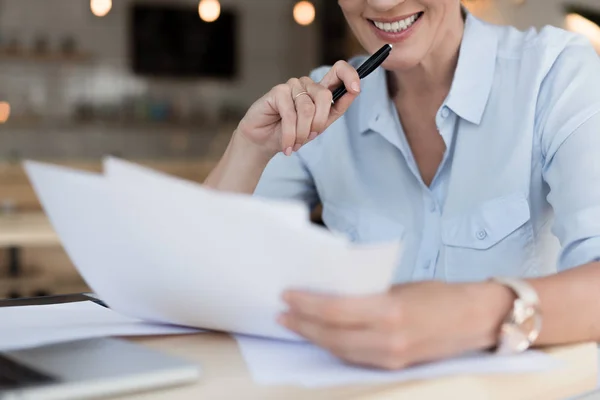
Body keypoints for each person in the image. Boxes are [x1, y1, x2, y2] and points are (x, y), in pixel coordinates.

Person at [205, 0, 600, 369]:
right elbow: (201, 274)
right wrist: (250, 149)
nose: (381, 3)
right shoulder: (317, 106)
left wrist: (465, 314)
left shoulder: (556, 74)